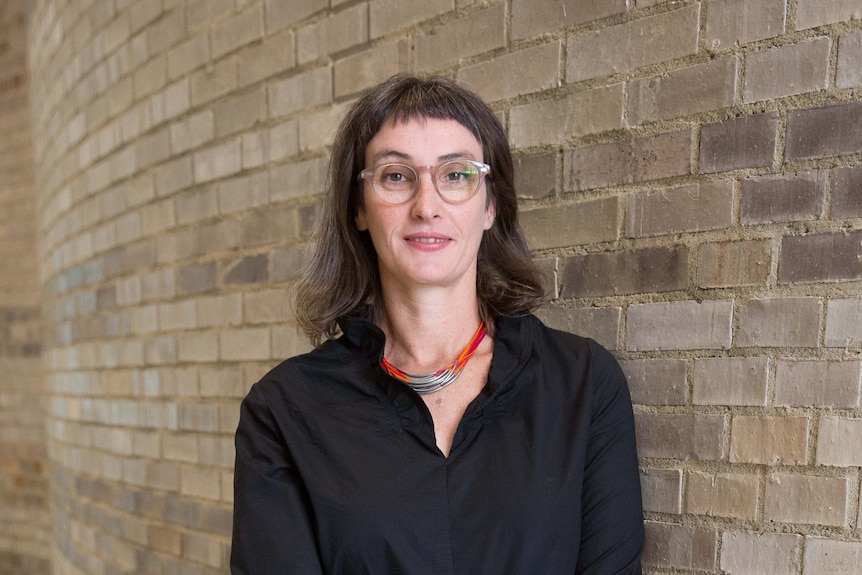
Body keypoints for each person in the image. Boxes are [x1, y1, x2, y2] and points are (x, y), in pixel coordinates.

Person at [231, 74, 644, 575]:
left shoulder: (582, 384)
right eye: (396, 176)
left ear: (491, 204)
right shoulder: (284, 409)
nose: (427, 207)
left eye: (456, 175)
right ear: (358, 207)